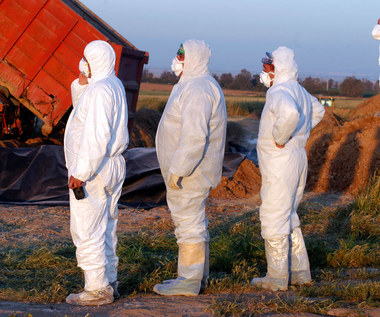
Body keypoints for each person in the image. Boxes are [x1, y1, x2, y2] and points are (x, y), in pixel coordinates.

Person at [153, 39, 227, 296]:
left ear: (194, 58)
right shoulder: (192, 85)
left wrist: (179, 168)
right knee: (193, 222)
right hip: (189, 170)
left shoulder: (198, 89)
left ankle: (188, 280)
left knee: (188, 223)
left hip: (190, 172)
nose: (178, 58)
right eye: (178, 53)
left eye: (183, 55)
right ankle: (197, 277)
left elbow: (194, 135)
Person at [250, 47, 325, 291]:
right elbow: (318, 110)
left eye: (267, 67)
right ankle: (301, 272)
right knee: (289, 214)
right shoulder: (298, 89)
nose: (263, 72)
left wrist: (282, 137)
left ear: (278, 68)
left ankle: (277, 277)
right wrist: (300, 136)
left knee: (273, 215)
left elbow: (290, 113)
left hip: (281, 159)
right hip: (297, 156)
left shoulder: (279, 91)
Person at [64, 40, 129, 305]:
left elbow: (96, 134)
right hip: (109, 166)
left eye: (86, 59)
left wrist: (81, 171)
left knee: (87, 227)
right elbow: (82, 106)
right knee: (106, 226)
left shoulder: (101, 90)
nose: (84, 63)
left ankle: (96, 289)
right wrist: (82, 77)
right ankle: (109, 281)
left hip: (95, 169)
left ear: (96, 60)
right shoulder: (111, 84)